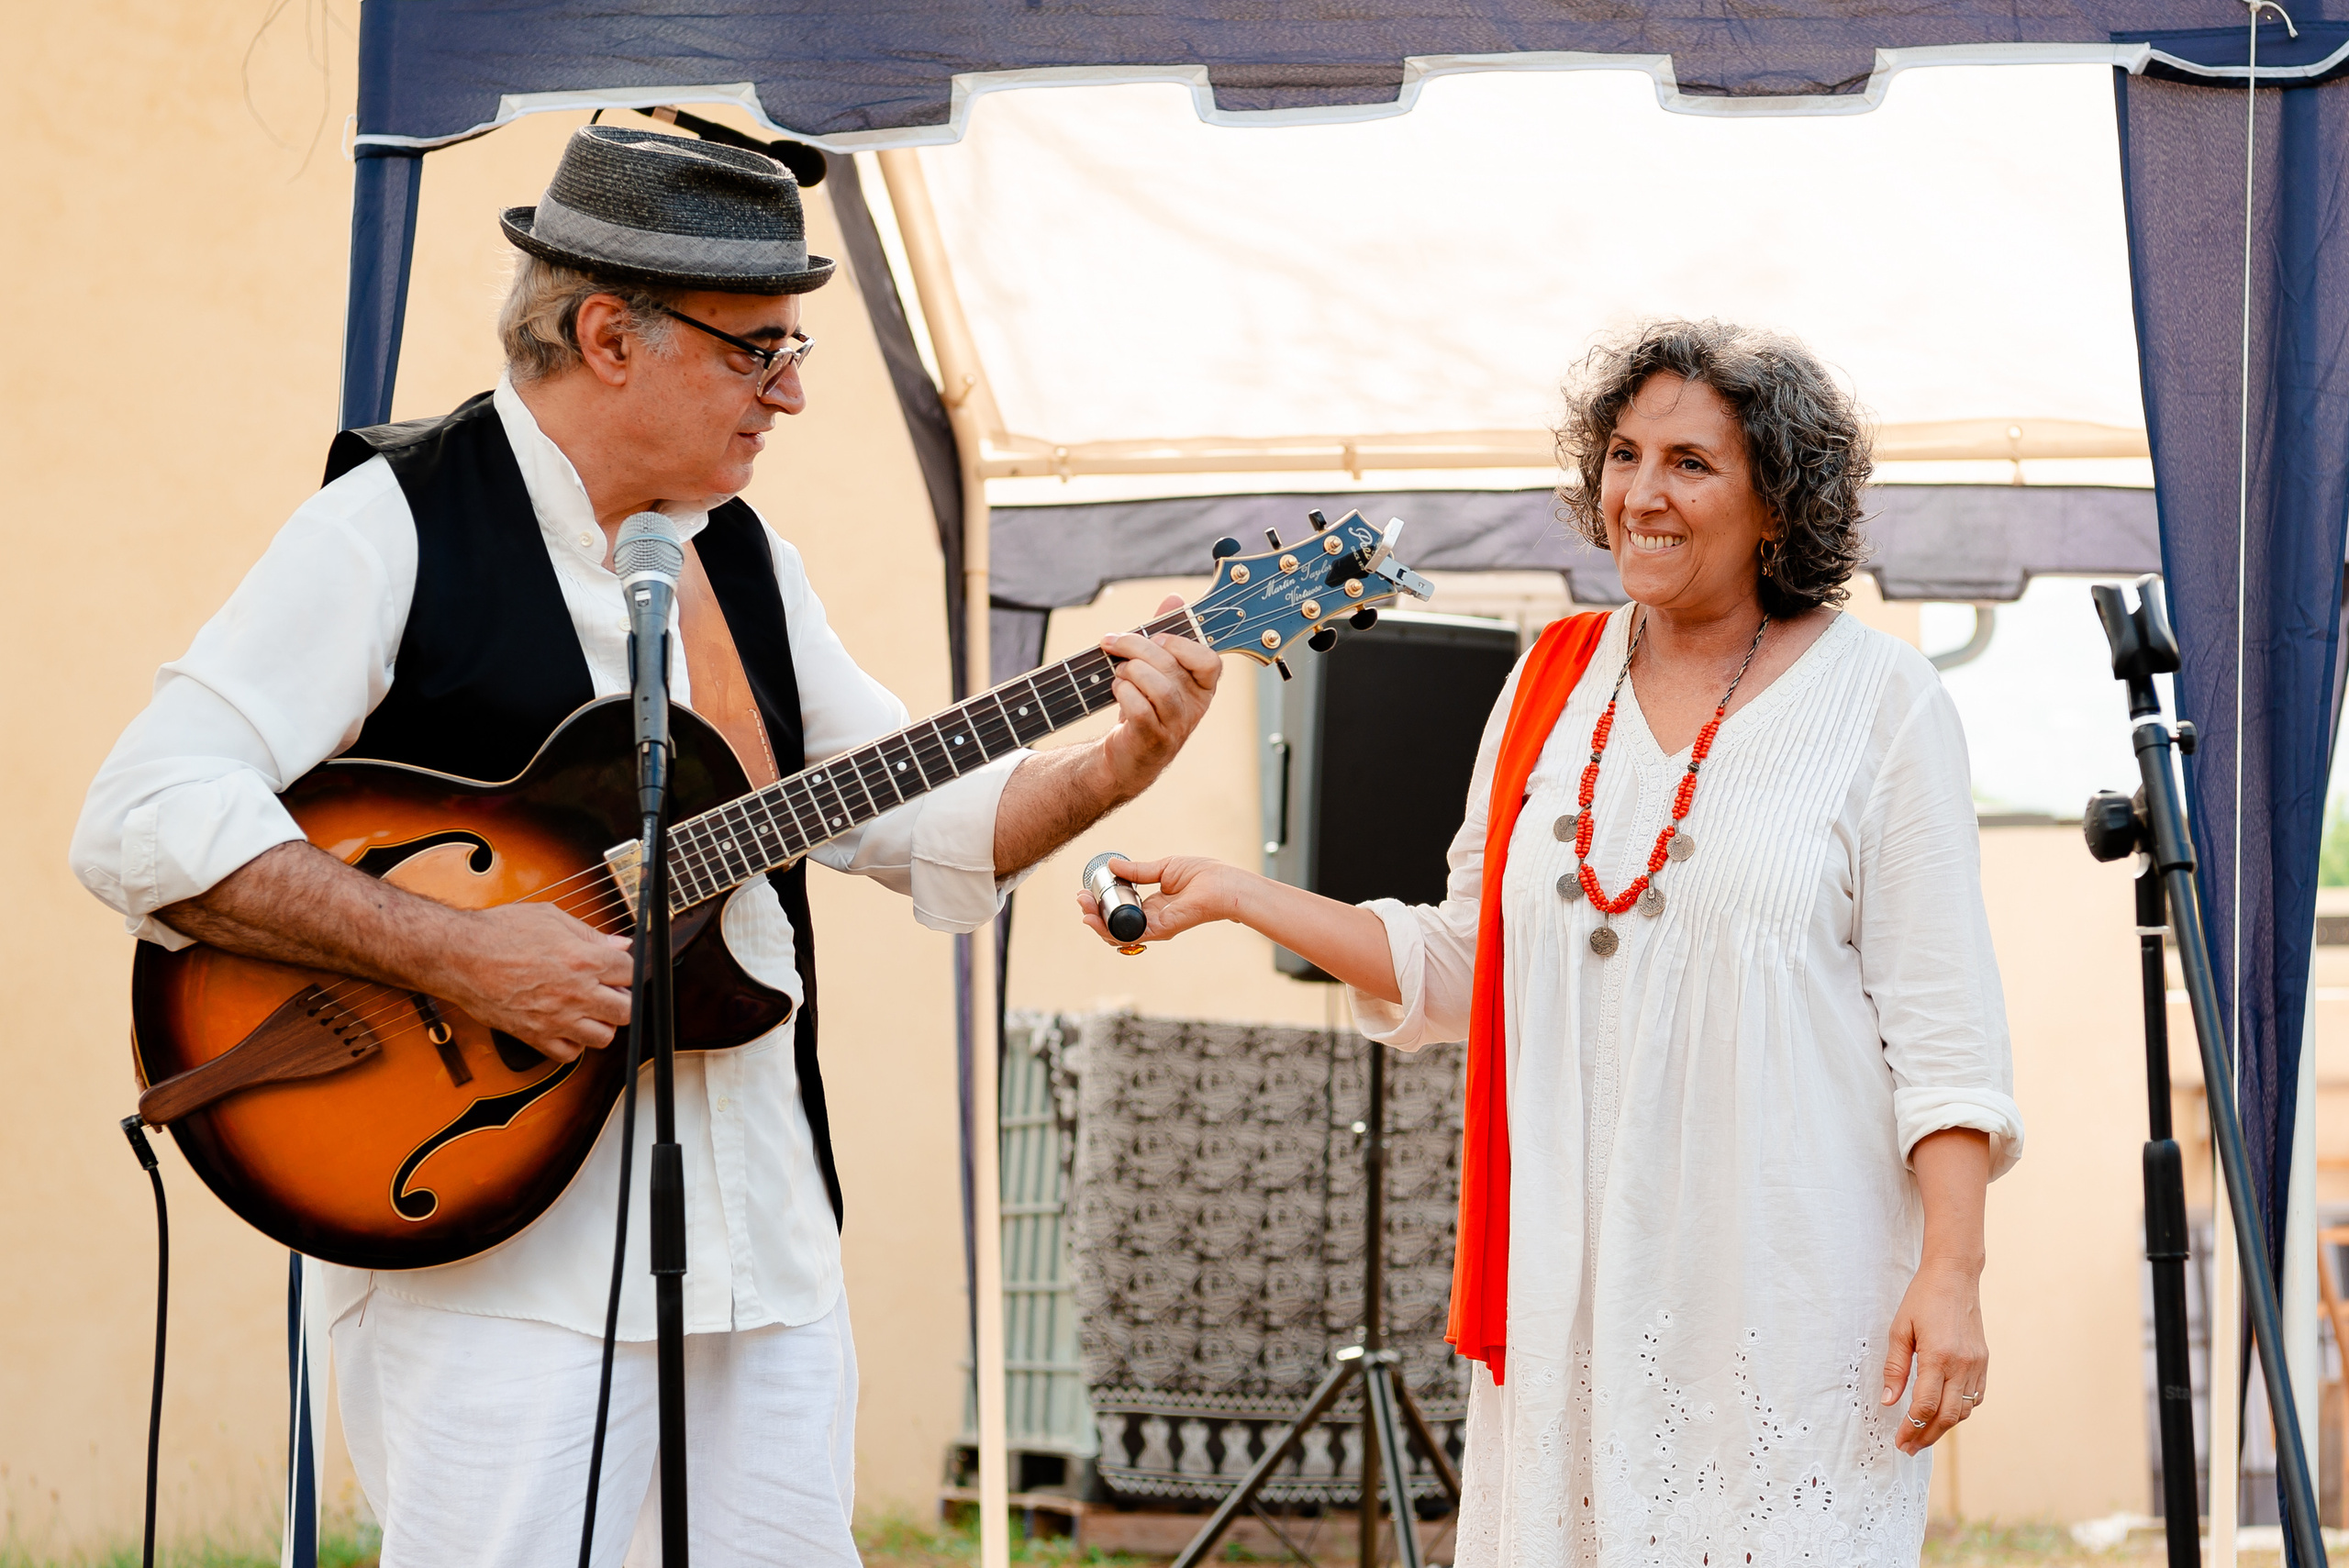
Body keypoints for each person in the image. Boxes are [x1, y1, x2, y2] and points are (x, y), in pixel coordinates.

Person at [72, 126, 1220, 1567]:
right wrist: (455, 949)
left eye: (793, 349)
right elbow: (144, 810)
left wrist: (1119, 761)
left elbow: (917, 811)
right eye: (758, 350)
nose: (791, 393)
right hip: (491, 1254)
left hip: (762, 1243)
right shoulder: (394, 523)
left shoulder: (744, 556)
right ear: (611, 335)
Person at [1082, 320, 2022, 1565]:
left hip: (1791, 1313)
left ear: (1778, 505)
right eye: (1624, 454)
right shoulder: (1549, 685)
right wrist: (1239, 894)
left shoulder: (1884, 702)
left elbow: (1945, 1036)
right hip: (1571, 1312)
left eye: (1691, 463)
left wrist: (1952, 1274)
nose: (1642, 493)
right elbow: (1470, 968)